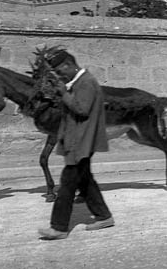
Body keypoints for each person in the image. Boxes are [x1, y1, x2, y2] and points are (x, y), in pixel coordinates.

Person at [38, 50, 114, 240]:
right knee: (85, 180)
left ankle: (59, 227)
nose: (60, 75)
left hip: (80, 142)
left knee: (67, 183)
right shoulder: (79, 82)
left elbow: (82, 109)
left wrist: (64, 93)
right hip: (77, 140)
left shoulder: (86, 82)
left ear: (68, 65)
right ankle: (104, 216)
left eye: (60, 71)